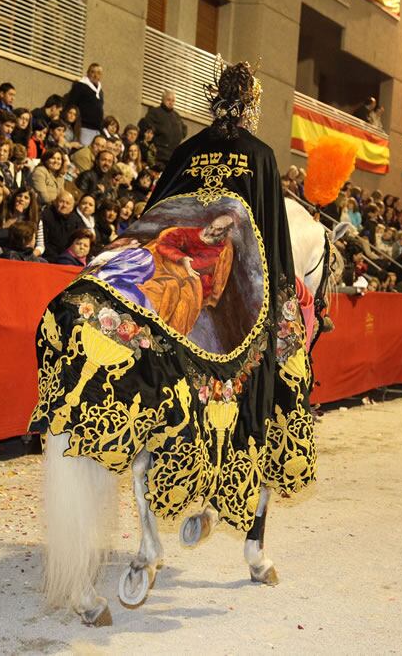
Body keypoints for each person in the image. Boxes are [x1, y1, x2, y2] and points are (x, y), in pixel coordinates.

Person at [30, 60, 315, 546]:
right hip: (201, 277)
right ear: (252, 108)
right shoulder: (262, 155)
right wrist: (283, 309)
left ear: (212, 102)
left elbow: (153, 213)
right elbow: (271, 240)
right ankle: (229, 466)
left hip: (161, 261)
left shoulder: (186, 149)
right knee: (267, 374)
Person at [143, 89, 186, 165]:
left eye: (173, 101)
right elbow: (147, 127)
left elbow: (184, 128)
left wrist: (181, 135)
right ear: (163, 99)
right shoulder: (155, 112)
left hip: (173, 156)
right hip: (159, 155)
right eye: (168, 100)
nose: (171, 102)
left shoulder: (176, 115)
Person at [66, 62, 104, 145]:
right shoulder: (80, 86)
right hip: (84, 127)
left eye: (98, 73)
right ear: (87, 73)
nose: (95, 75)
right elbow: (72, 104)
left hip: (97, 129)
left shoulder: (100, 91)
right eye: (92, 72)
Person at [41, 189, 82, 260]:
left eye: (68, 203)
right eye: (61, 202)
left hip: (68, 258)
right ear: (56, 202)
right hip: (47, 257)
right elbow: (44, 241)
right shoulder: (46, 215)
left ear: (72, 207)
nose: (64, 205)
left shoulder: (76, 220)